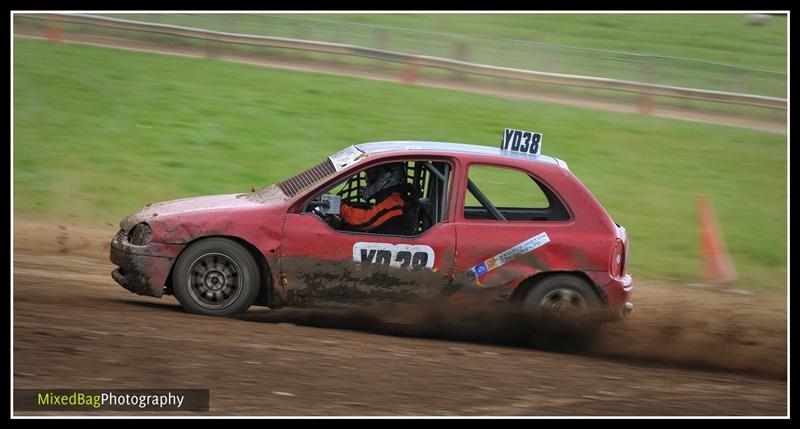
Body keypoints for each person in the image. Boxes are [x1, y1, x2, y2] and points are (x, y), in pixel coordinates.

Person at [339, 163, 415, 234]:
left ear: (387, 177)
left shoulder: (395, 202)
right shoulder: (393, 199)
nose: (367, 179)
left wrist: (340, 208)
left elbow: (364, 221)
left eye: (372, 175)